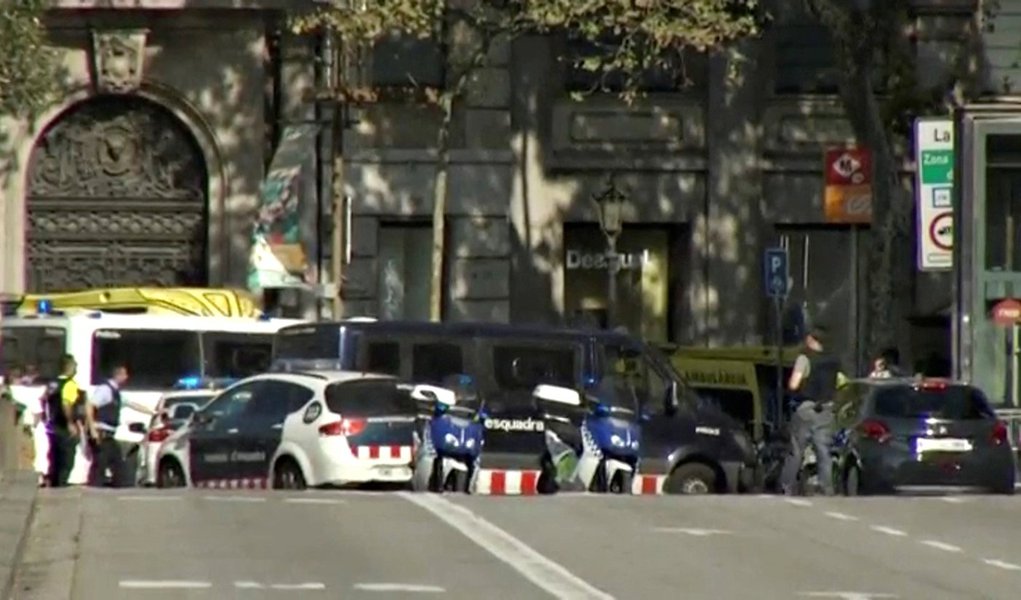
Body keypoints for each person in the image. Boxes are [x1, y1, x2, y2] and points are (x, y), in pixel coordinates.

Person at [779, 327, 843, 496]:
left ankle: (787, 486)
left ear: (811, 340)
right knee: (823, 450)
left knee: (796, 449)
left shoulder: (804, 358)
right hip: (826, 409)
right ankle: (827, 488)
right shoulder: (834, 361)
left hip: (806, 407)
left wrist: (793, 389)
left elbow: (794, 383)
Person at [43, 354, 81, 487]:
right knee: (66, 460)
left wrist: (45, 416)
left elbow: (43, 399)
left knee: (54, 458)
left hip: (52, 425)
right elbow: (66, 404)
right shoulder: (69, 384)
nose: (76, 369)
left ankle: (53, 483)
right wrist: (70, 423)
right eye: (75, 366)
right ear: (69, 367)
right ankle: (60, 486)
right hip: (63, 427)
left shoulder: (52, 382)